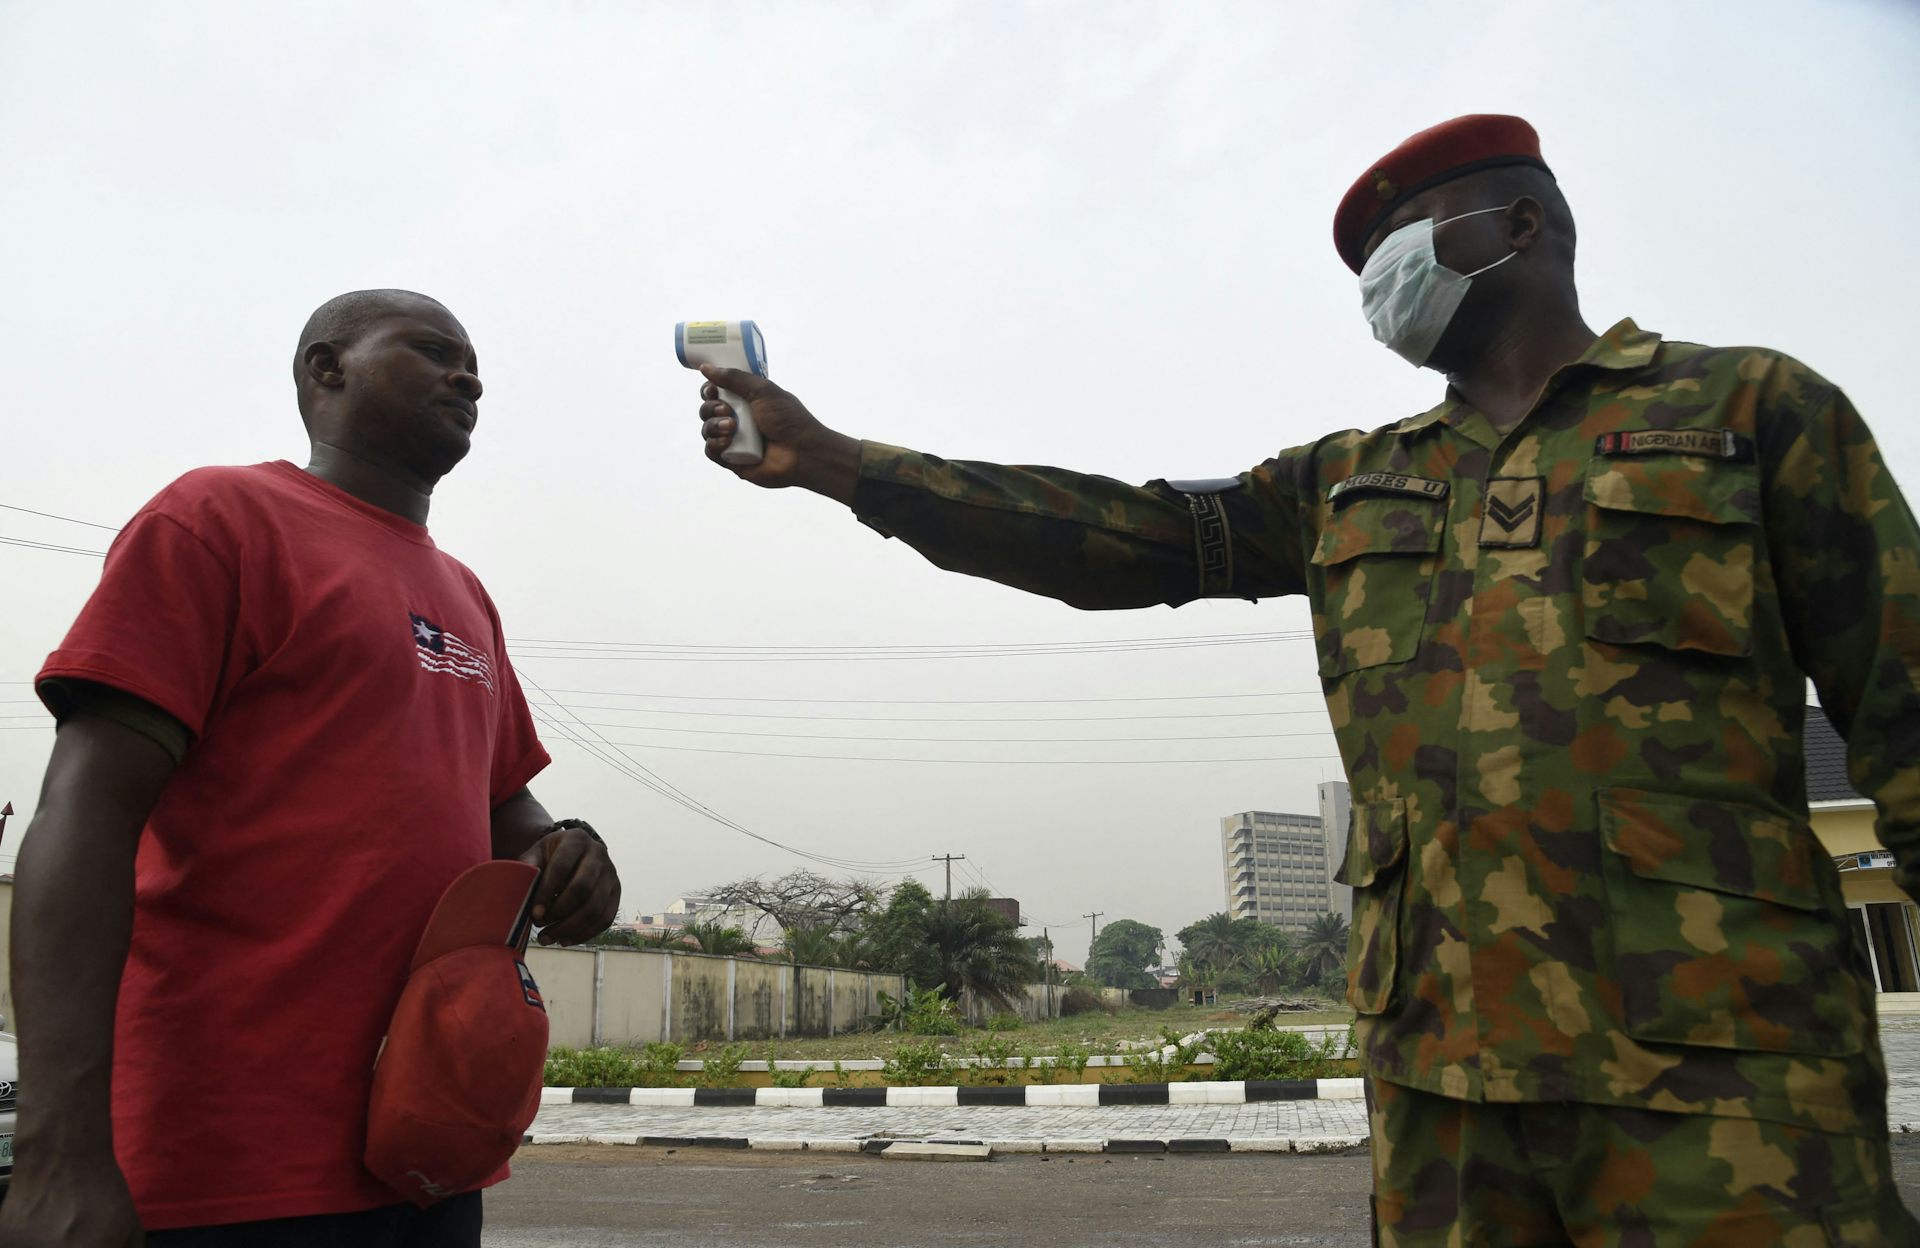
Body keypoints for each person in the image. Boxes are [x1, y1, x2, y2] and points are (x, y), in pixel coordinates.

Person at [693, 116, 1920, 1244]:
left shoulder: (1751, 410)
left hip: (1729, 1074)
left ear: (1519, 227)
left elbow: (1906, 703)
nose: (1380, 280)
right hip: (1443, 1086)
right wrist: (846, 463)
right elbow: (1119, 534)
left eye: (1399, 241)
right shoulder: (1347, 481)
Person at [1, 289, 621, 1247]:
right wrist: (57, 1150)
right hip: (225, 1165)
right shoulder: (220, 519)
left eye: (475, 363)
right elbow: (83, 816)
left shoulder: (463, 594)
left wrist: (569, 852)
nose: (470, 376)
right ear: (325, 370)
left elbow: (507, 807)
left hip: (426, 1147)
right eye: (430, 350)